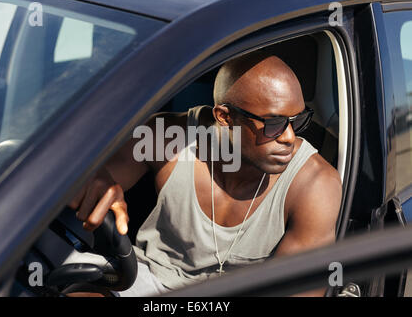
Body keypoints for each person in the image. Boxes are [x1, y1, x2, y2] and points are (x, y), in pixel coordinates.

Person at [69, 52, 342, 296]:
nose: (289, 137)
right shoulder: (167, 139)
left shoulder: (315, 183)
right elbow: (77, 178)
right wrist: (96, 181)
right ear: (224, 117)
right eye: (274, 124)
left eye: (297, 120)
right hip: (146, 280)